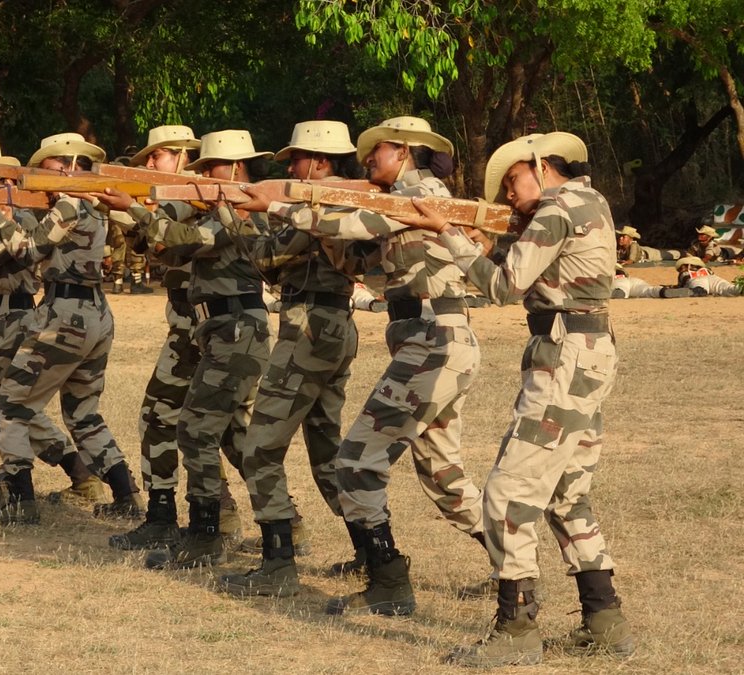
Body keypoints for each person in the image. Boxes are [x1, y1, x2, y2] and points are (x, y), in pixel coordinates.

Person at [399, 131, 636, 666]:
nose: (508, 194)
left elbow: (505, 286)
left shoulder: (556, 207)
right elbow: (536, 269)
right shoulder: (589, 201)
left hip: (564, 353)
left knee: (508, 493)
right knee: (568, 493)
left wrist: (447, 234)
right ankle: (604, 618)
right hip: (587, 349)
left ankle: (518, 630)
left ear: (541, 166)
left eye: (512, 179)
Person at [282, 116, 487, 616]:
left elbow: (353, 223)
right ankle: (516, 567)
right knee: (445, 478)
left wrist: (283, 204)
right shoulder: (400, 202)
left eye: (377, 151)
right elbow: (357, 260)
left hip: (432, 339)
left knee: (354, 464)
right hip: (432, 339)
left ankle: (389, 582)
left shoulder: (419, 193)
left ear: (402, 151)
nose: (368, 159)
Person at [216, 120, 364, 597]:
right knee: (327, 452)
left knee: (260, 448)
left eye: (297, 161)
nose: (293, 170)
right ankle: (375, 554)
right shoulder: (334, 203)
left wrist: (233, 216)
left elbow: (266, 259)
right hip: (330, 325)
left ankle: (279, 562)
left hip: (310, 328)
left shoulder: (322, 205)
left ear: (320, 161)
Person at [0, 132, 142, 524]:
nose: (40, 180)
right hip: (95, 313)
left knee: (10, 404)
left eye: (46, 171)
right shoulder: (94, 206)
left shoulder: (69, 205)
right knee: (83, 412)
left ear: (67, 167)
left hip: (65, 315)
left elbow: (28, 251)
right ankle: (126, 494)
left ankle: (22, 501)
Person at [129, 129, 275, 570]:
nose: (201, 176)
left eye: (207, 168)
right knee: (224, 432)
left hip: (232, 329)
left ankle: (212, 532)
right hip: (217, 329)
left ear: (233, 169)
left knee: (195, 430)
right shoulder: (220, 208)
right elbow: (167, 254)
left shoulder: (236, 212)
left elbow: (186, 241)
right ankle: (246, 527)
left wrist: (134, 207)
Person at [97, 125, 248, 551]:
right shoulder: (186, 201)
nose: (148, 164)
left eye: (156, 156)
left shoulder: (206, 202)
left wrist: (138, 209)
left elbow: (173, 239)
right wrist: (125, 211)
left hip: (203, 329)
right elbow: (152, 248)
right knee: (222, 431)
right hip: (192, 326)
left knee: (172, 419)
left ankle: (172, 517)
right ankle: (240, 516)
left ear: (182, 158)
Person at [612, 264, 692, 299]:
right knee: (649, 290)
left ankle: (618, 292)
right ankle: (663, 291)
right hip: (633, 281)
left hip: (617, 280)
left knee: (620, 290)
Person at [675, 256, 741, 296]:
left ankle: (697, 291)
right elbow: (712, 275)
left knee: (699, 289)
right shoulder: (707, 270)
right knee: (728, 288)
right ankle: (740, 289)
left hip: (696, 279)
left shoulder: (685, 273)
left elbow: (681, 284)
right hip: (713, 279)